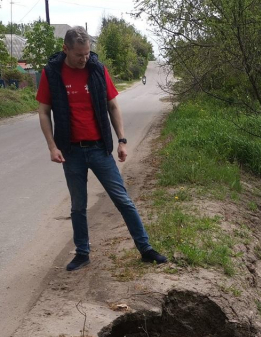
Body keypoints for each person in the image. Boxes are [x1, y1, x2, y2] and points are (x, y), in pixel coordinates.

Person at [36, 25, 167, 271]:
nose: (84, 59)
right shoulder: (52, 73)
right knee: (78, 206)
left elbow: (113, 106)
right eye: (79, 55)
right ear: (65, 49)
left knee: (123, 200)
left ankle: (145, 249)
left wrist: (122, 140)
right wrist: (52, 147)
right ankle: (82, 252)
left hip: (99, 149)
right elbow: (43, 112)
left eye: (87, 53)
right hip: (71, 152)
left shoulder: (97, 70)